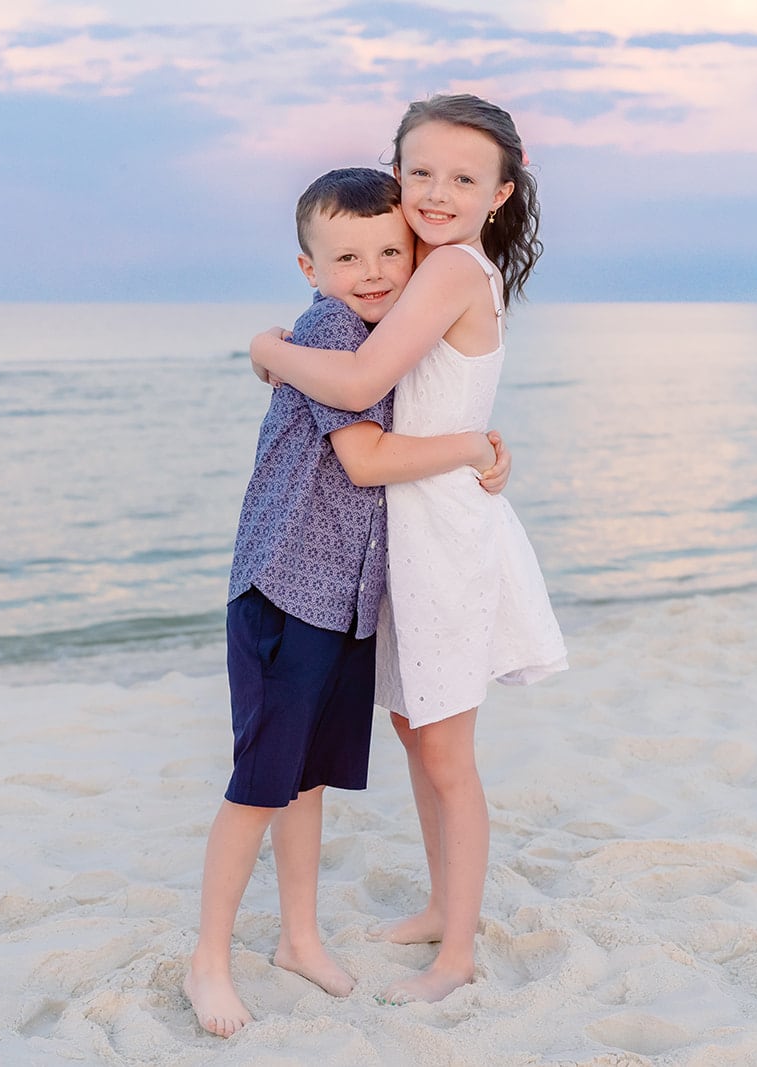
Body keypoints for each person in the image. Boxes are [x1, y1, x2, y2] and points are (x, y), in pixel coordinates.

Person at [249, 94, 568, 1007]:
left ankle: (457, 952)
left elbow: (354, 379)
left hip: (438, 529)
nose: (435, 192)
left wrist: (268, 344)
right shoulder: (420, 265)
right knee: (415, 728)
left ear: (499, 194)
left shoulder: (455, 271)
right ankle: (441, 906)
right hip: (408, 519)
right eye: (419, 172)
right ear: (395, 173)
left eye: (463, 178)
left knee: (444, 753)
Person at [185, 167, 515, 1038]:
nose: (371, 271)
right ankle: (207, 960)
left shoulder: (383, 334)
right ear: (309, 268)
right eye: (347, 256)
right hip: (286, 586)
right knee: (261, 783)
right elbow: (366, 460)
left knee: (305, 777)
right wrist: (472, 444)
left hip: (342, 598)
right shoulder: (334, 329)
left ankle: (298, 936)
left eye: (389, 253)